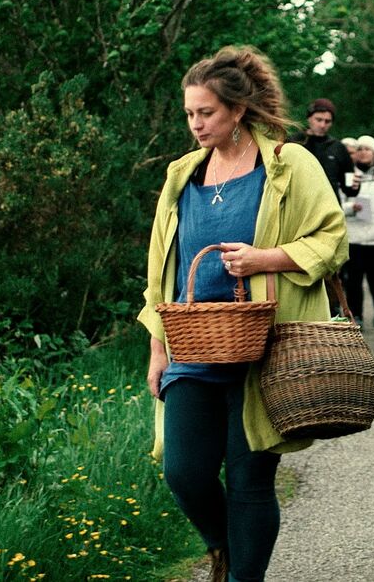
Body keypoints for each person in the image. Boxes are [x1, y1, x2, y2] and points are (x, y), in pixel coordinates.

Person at [138, 46, 348, 581]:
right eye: (189, 113)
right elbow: (161, 268)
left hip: (267, 346)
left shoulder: (287, 162)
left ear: (236, 108)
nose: (196, 124)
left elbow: (331, 237)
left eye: (205, 112)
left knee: (252, 479)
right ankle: (224, 549)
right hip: (193, 342)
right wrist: (158, 347)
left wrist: (267, 259)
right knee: (184, 472)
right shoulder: (181, 175)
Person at [342, 134, 374, 329]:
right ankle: (357, 314)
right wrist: (352, 207)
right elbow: (339, 203)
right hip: (354, 236)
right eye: (359, 149)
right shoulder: (348, 175)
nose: (363, 152)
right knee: (354, 280)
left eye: (367, 149)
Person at [289, 98, 357, 200]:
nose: (322, 125)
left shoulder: (338, 148)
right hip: (300, 204)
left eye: (327, 121)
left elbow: (349, 187)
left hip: (329, 206)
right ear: (309, 118)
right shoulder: (294, 143)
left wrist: (355, 186)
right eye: (319, 120)